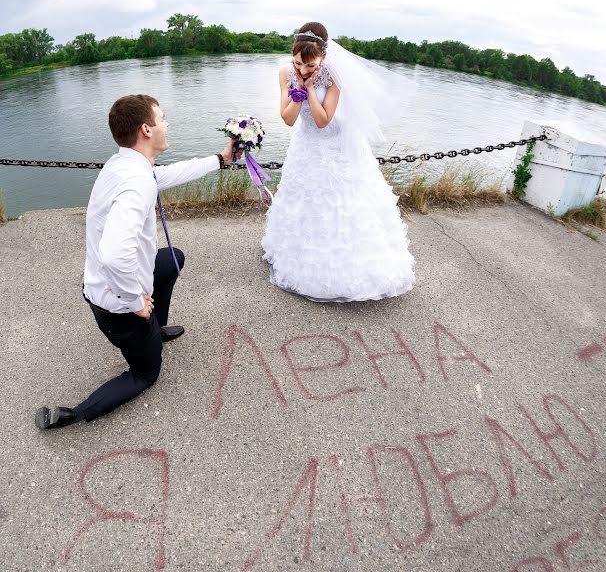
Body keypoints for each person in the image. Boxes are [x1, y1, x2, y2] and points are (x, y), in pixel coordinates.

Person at [35, 94, 239, 429]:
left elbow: (168, 175)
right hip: (116, 308)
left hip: (108, 287)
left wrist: (220, 158)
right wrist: (134, 302)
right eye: (163, 118)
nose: (167, 124)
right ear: (146, 129)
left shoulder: (126, 164)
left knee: (172, 259)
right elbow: (115, 255)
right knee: (146, 374)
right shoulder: (136, 182)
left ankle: (154, 330)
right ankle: (74, 414)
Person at [261, 22, 415, 302]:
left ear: (323, 58)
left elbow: (322, 120)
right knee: (304, 203)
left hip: (334, 146)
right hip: (305, 148)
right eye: (298, 63)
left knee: (341, 206)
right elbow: (288, 118)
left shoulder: (335, 77)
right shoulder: (285, 73)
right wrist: (297, 86)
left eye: (310, 65)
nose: (303, 70)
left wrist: (308, 88)